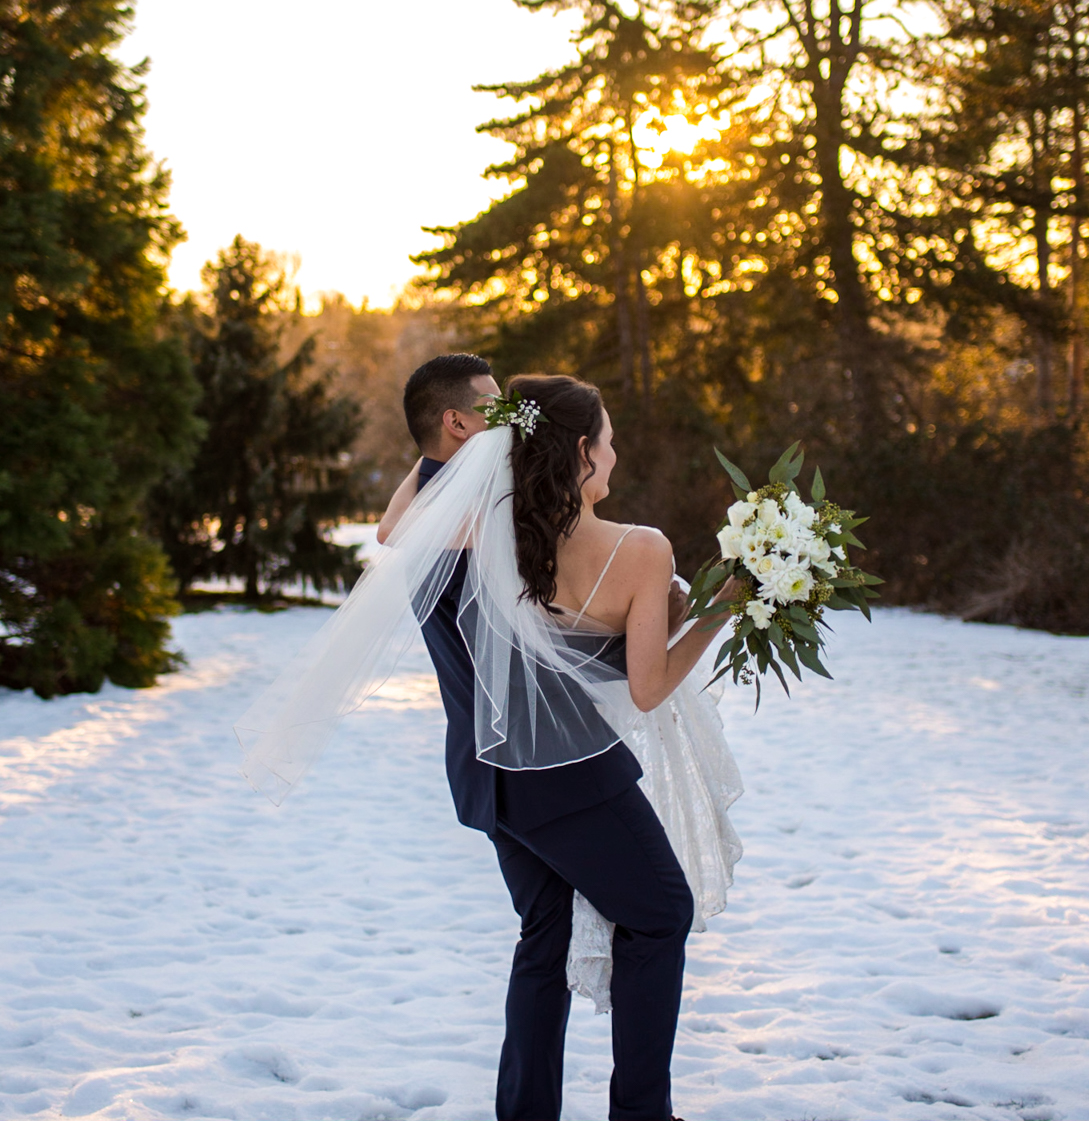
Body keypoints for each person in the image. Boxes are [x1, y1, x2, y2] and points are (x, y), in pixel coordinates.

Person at [236, 361, 740, 1121]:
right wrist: (723, 606)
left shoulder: (484, 531)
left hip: (484, 776)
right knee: (661, 910)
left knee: (544, 931)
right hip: (562, 771)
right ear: (578, 451)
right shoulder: (609, 542)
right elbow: (641, 683)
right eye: (607, 441)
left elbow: (394, 529)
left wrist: (461, 454)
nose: (616, 455)